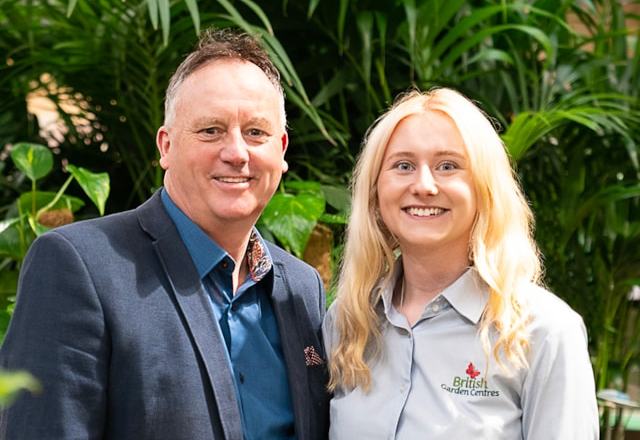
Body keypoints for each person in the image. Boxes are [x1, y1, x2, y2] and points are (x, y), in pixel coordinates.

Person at [0, 28, 329, 440]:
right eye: (211, 130)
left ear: (281, 150)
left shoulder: (302, 288)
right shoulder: (78, 266)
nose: (236, 153)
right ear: (166, 146)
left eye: (255, 133)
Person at [323, 88, 599, 439]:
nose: (424, 185)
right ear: (375, 191)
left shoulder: (544, 332)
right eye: (403, 165)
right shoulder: (348, 321)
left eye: (448, 166)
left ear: (485, 189)